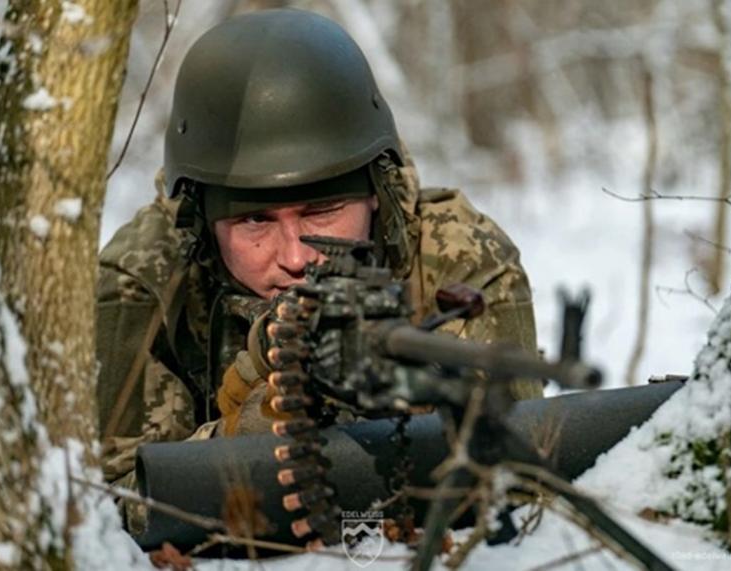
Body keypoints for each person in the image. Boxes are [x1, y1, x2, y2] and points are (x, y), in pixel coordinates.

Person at [96, 8, 540, 500]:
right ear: (203, 219)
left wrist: (406, 406)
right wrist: (238, 445)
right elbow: (113, 502)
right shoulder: (143, 278)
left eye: (322, 212)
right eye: (255, 221)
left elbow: (521, 475)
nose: (297, 256)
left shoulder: (456, 253)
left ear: (375, 190)